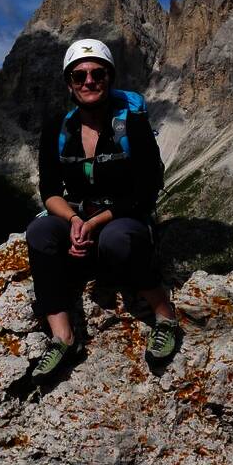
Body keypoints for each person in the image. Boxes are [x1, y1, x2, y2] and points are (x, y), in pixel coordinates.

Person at [24, 38, 180, 378]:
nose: (89, 82)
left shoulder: (132, 124)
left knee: (116, 240)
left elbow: (147, 188)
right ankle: (63, 337)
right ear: (69, 83)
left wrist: (93, 225)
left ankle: (165, 316)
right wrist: (75, 219)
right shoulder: (59, 128)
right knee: (39, 231)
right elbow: (49, 191)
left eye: (98, 74)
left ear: (109, 77)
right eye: (79, 76)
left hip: (125, 217)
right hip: (82, 215)